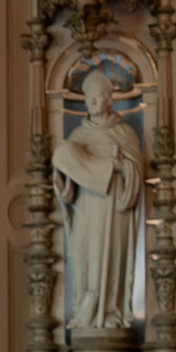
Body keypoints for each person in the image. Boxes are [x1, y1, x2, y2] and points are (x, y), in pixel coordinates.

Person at [51, 69, 144, 331]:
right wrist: (62, 179)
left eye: (97, 99)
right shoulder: (77, 137)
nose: (92, 104)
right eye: (88, 99)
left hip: (115, 211)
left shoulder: (124, 133)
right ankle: (85, 313)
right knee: (83, 260)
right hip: (85, 210)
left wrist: (121, 168)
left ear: (109, 100)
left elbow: (135, 169)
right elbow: (67, 188)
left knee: (112, 258)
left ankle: (111, 312)